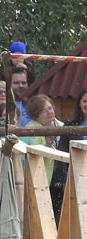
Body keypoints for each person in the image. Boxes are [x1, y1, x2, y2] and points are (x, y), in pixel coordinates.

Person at [50, 87, 87, 221]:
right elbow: (62, 154)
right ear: (79, 104)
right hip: (74, 177)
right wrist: (65, 180)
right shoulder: (70, 125)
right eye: (85, 101)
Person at [21, 95, 63, 183]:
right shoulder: (30, 129)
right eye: (44, 111)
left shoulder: (62, 126)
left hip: (62, 174)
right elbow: (34, 157)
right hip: (40, 176)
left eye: (50, 108)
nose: (49, 112)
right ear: (36, 116)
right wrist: (48, 145)